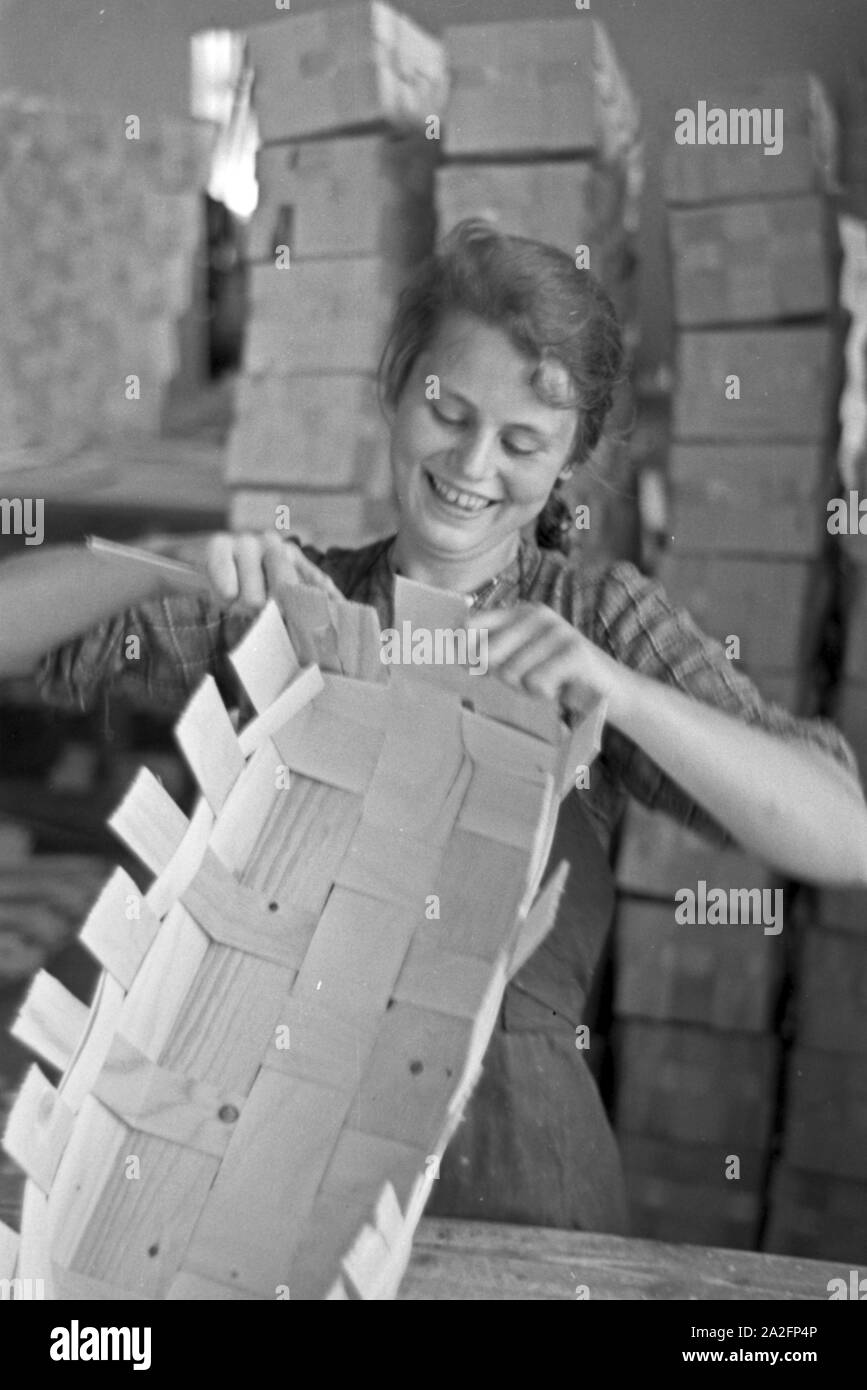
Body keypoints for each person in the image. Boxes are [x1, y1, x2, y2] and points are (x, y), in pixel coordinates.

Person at [2, 219, 866, 1235]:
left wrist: (625, 695)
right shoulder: (287, 600)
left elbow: (842, 830)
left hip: (514, 1159)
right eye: (446, 411)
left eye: (522, 443)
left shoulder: (596, 624)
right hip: (265, 1141)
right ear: (396, 388)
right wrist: (163, 562)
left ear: (569, 463)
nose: (471, 462)